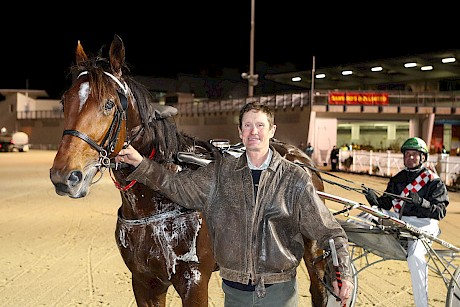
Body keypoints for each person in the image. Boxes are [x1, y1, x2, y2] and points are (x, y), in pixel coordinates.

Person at [116, 102, 354, 306]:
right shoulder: (220, 172)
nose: (254, 132)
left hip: (278, 293)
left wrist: (342, 270)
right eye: (248, 125)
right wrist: (141, 163)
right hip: (236, 293)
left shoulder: (294, 178)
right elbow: (177, 187)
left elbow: (329, 230)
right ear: (240, 132)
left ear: (272, 130)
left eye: (261, 125)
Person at [364, 137, 449, 307]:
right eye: (407, 154)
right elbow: (387, 204)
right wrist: (375, 202)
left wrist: (421, 202)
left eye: (414, 154)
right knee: (370, 213)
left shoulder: (434, 181)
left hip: (426, 224)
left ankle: (422, 305)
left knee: (416, 256)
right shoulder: (397, 179)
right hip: (402, 221)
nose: (410, 158)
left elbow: (440, 212)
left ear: (422, 157)